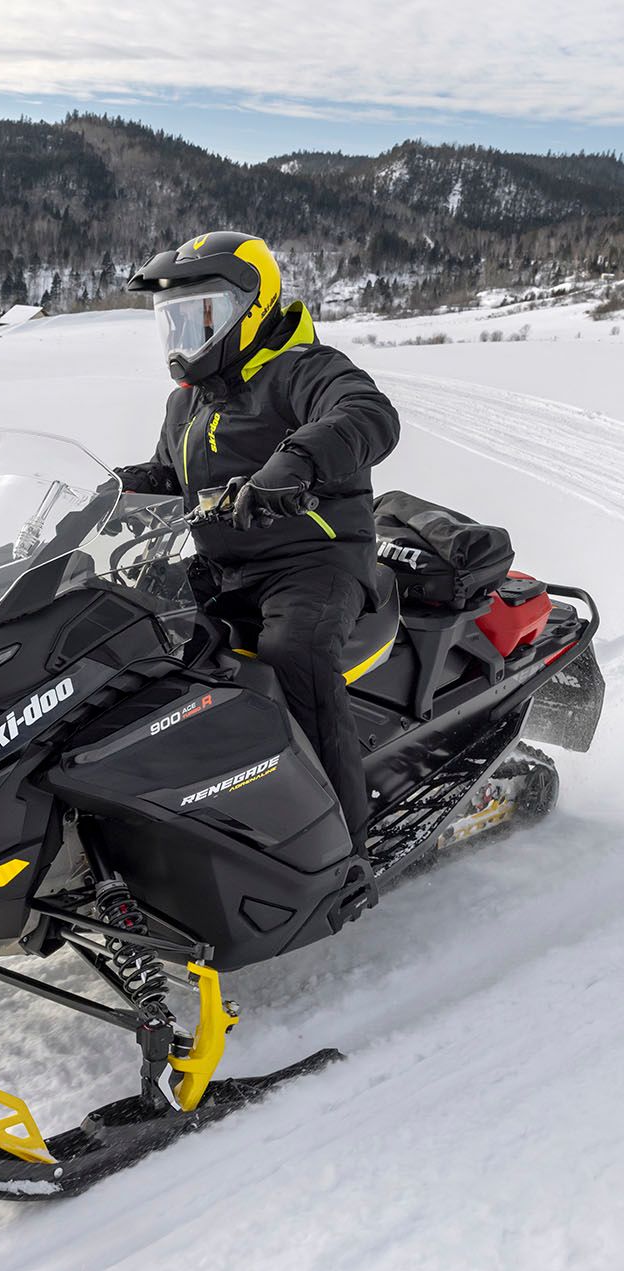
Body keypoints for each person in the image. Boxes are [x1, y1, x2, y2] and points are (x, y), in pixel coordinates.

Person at [117, 230, 400, 848]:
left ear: (252, 307)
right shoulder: (185, 403)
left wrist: (294, 463)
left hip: (313, 562)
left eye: (201, 318)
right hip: (224, 568)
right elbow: (173, 474)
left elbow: (367, 415)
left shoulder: (302, 370)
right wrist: (112, 491)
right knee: (123, 634)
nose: (185, 338)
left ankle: (345, 848)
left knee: (294, 656)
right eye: (175, 322)